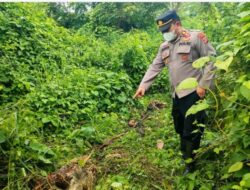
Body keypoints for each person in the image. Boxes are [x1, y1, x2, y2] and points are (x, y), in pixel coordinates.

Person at [133, 10, 216, 174]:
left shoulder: (195, 37)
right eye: (162, 32)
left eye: (167, 30)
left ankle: (190, 164)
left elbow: (211, 60)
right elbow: (155, 66)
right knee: (179, 127)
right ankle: (186, 152)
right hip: (176, 95)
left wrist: (203, 86)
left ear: (177, 24)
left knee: (191, 130)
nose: (165, 34)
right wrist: (143, 85)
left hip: (193, 93)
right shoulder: (164, 46)